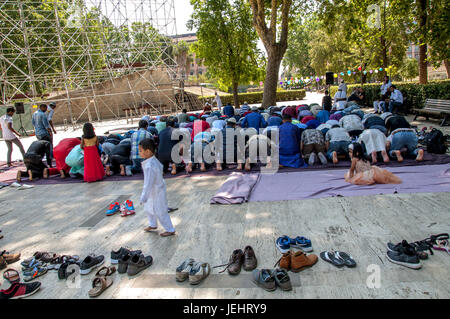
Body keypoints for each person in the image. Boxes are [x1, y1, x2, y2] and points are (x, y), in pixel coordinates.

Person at [139, 138, 176, 237]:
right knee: (148, 208)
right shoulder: (152, 161)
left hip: (157, 190)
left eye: (140, 150)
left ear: (147, 151)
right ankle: (152, 224)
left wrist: (144, 196)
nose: (139, 153)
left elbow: (148, 183)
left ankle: (170, 229)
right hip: (154, 190)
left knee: (161, 211)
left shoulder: (150, 165)